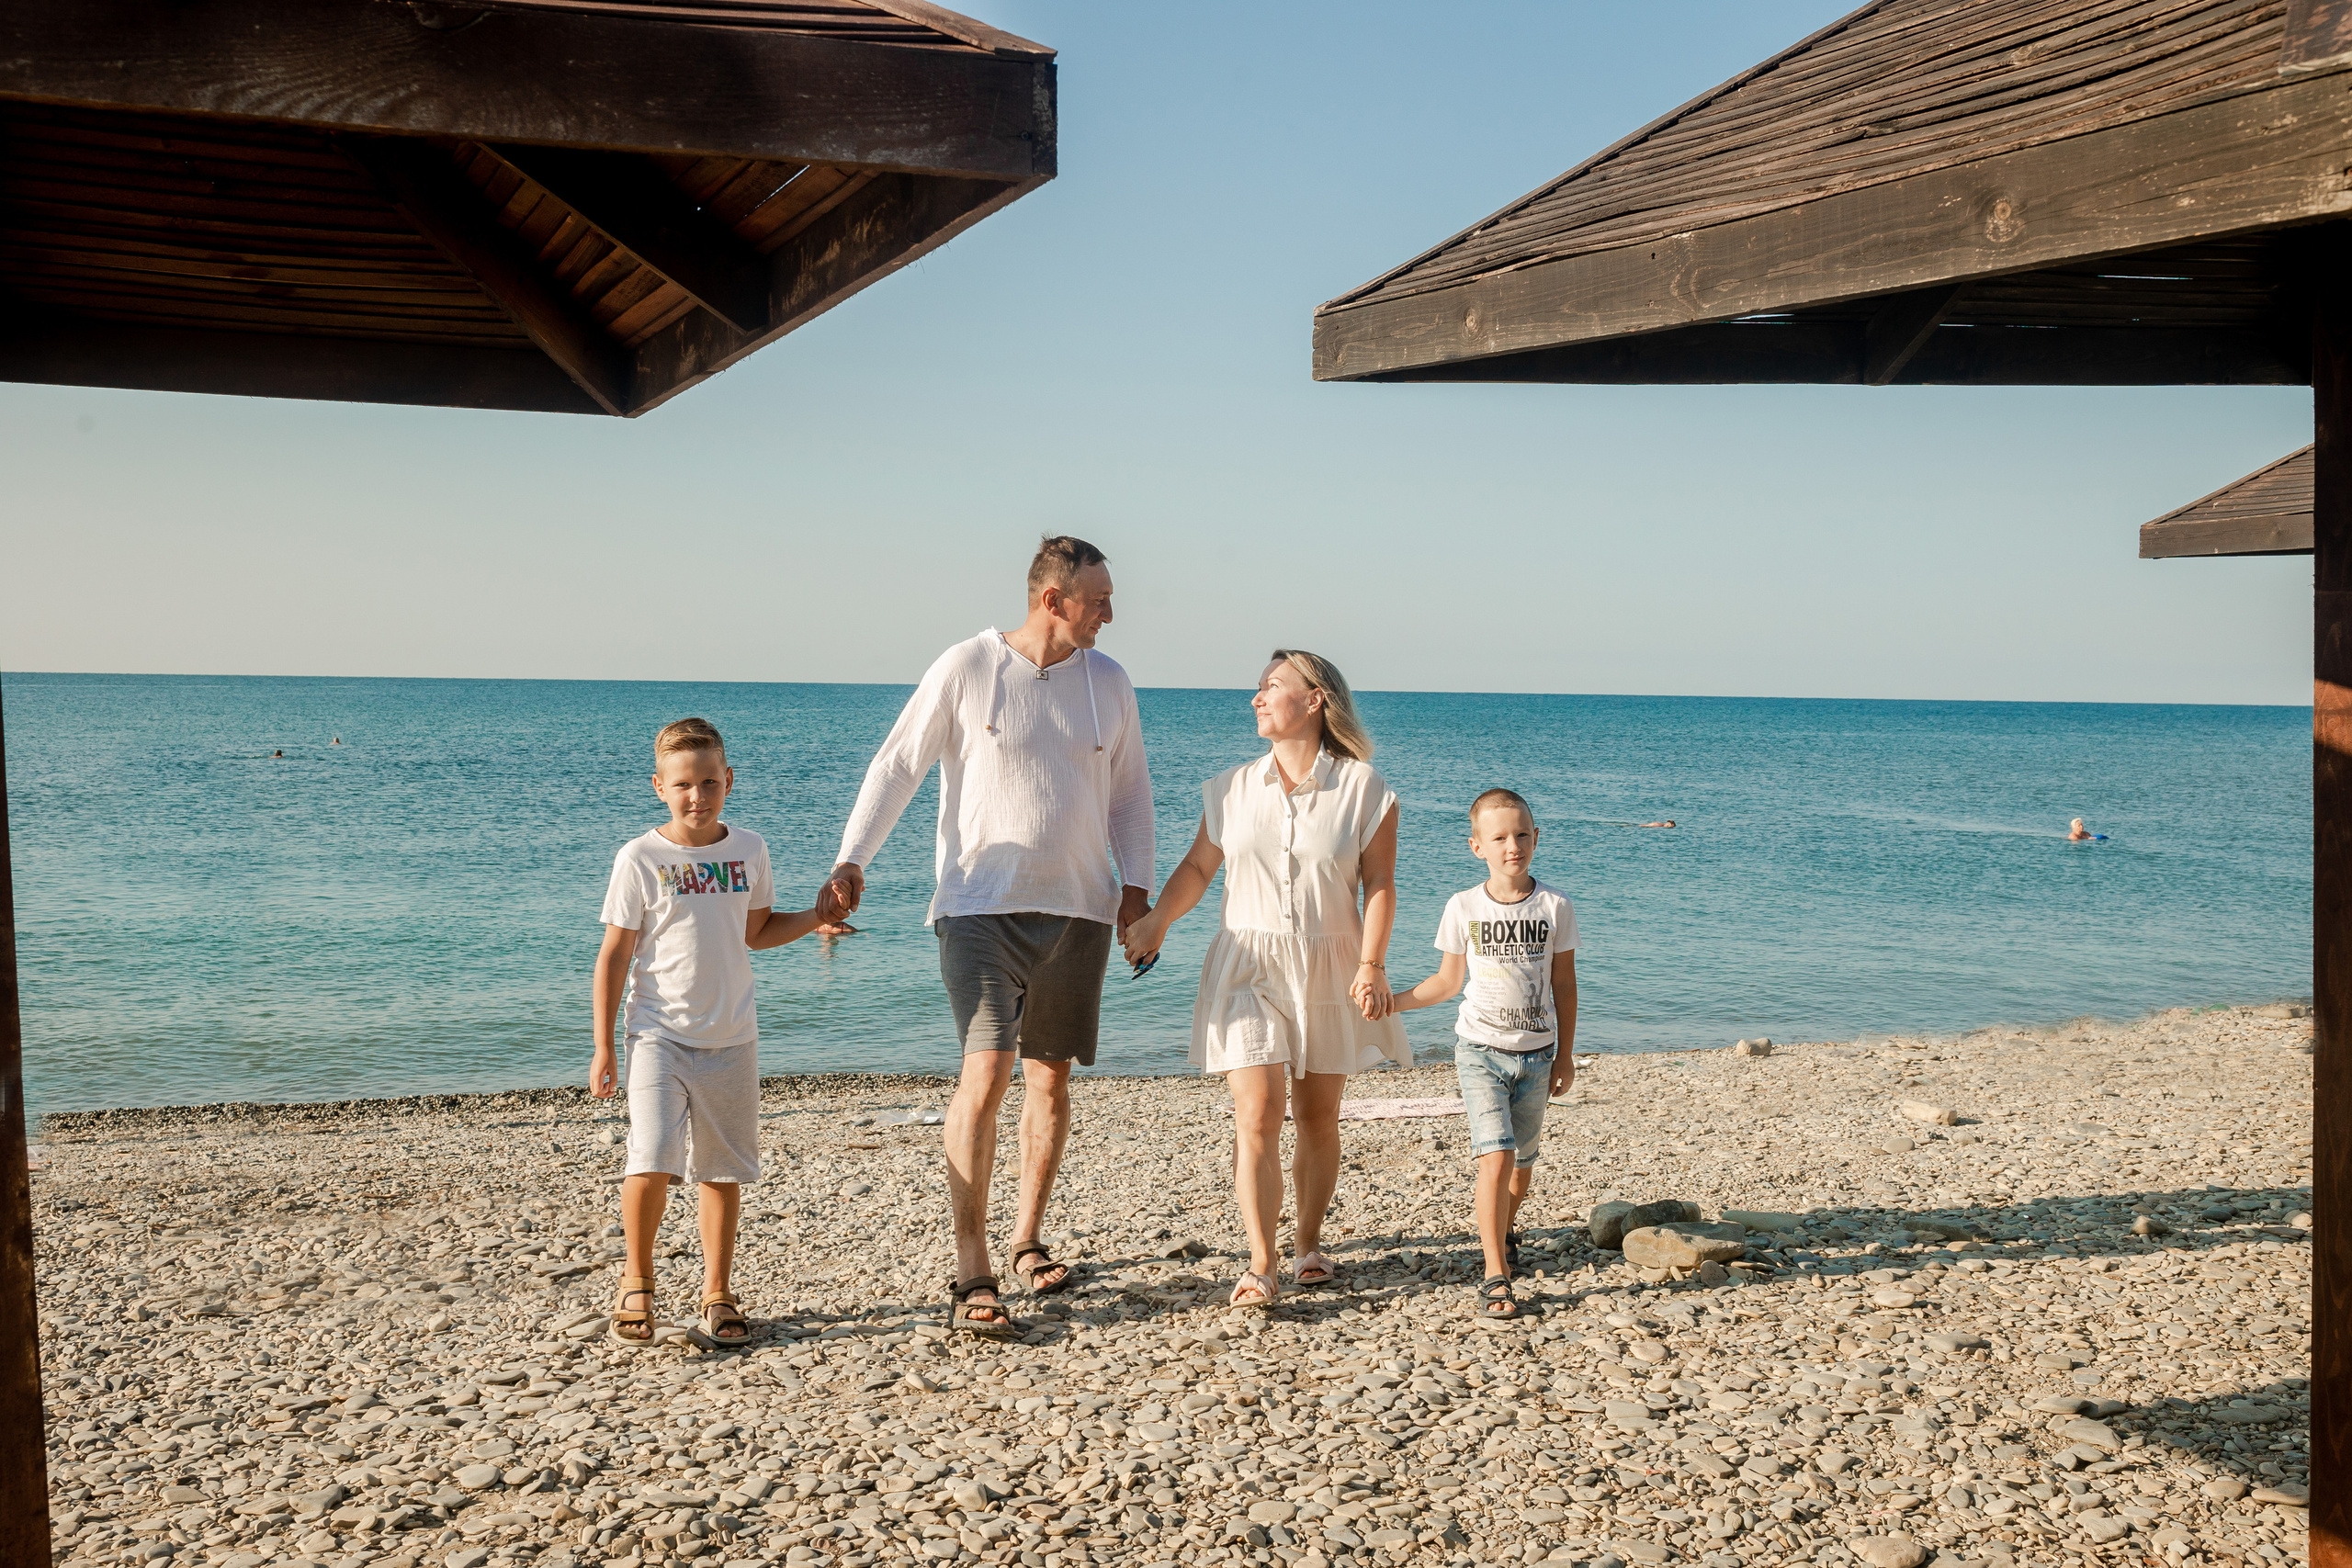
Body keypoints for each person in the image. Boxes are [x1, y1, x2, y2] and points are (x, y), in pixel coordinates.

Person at [826, 536, 1154, 1338]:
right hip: (979, 906)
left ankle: (1025, 1238)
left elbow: (1130, 795)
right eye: (1098, 598)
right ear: (1053, 598)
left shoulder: (1108, 682)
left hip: (1079, 909)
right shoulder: (968, 665)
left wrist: (1137, 892)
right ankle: (971, 1263)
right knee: (987, 1070)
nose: (1111, 611)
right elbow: (898, 763)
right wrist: (851, 860)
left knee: (1050, 1080)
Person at [1121, 650, 1408, 1308]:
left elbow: (1381, 883)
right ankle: (1260, 1261)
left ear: (1315, 700)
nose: (1256, 697)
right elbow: (1198, 868)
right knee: (1256, 1111)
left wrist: (1372, 961)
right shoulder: (1230, 788)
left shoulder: (1365, 788)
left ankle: (1308, 1242)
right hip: (1246, 960)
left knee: (1317, 1114)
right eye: (1257, 688)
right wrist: (1158, 920)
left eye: (1271, 687)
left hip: (1330, 962)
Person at [591, 717, 843, 1348]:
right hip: (657, 1035)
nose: (697, 796)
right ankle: (637, 1280)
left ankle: (717, 1290)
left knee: (720, 1168)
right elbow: (614, 955)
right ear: (659, 786)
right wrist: (602, 1044)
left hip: (731, 1036)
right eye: (683, 785)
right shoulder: (640, 858)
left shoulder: (749, 849)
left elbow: (755, 931)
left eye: (709, 782)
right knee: (650, 1155)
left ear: (728, 781)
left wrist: (818, 916)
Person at [1388, 787, 1577, 1323]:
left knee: (1522, 1170)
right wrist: (1392, 1005)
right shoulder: (1463, 906)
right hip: (1480, 1053)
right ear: (1477, 847)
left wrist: (1565, 1056)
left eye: (1521, 834)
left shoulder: (1555, 906)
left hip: (1538, 1057)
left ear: (1536, 838)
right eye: (1499, 837)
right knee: (1494, 1157)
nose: (1512, 845)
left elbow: (1565, 985)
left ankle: (1502, 1228)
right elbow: (1447, 982)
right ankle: (1496, 1274)